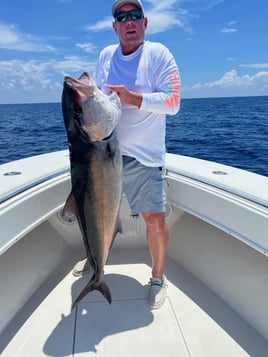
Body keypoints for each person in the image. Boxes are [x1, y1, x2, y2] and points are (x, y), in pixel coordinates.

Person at [73, 0, 180, 309]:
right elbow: (98, 104)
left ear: (145, 23)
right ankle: (96, 259)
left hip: (145, 158)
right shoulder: (106, 56)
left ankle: (158, 277)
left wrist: (133, 98)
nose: (129, 21)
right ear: (115, 26)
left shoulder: (159, 55)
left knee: (154, 219)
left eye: (135, 15)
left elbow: (173, 103)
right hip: (106, 153)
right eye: (122, 16)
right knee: (94, 215)